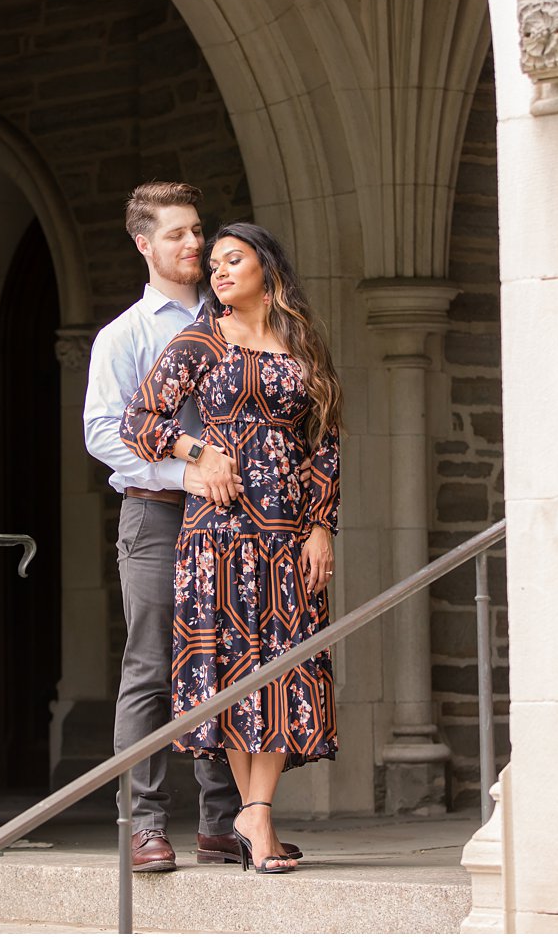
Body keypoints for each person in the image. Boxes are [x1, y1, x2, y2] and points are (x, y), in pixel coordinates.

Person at [120, 221, 341, 874]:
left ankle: (254, 813)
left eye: (232, 260)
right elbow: (140, 419)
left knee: (282, 662)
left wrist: (322, 523)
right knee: (238, 670)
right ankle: (258, 817)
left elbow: (325, 441)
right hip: (219, 533)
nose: (217, 272)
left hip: (287, 529)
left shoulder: (303, 342)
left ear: (266, 270)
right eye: (212, 264)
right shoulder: (201, 339)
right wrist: (197, 451)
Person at [85, 182, 278, 873]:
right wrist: (184, 472)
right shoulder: (126, 336)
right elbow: (105, 433)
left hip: (236, 521)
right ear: (144, 244)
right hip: (160, 515)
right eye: (176, 234)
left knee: (226, 658)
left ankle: (222, 821)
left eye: (198, 231)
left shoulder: (239, 315)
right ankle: (143, 824)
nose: (194, 245)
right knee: (152, 666)